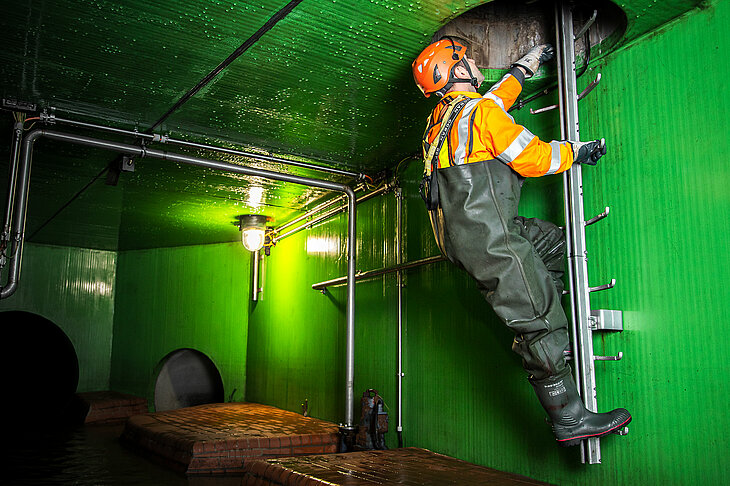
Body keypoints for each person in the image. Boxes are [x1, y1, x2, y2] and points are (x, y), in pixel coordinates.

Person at [411, 37, 631, 447]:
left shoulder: (442, 119)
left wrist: (523, 69)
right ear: (458, 71)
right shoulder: (478, 114)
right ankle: (568, 417)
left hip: (469, 235)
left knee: (550, 243)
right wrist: (576, 152)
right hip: (490, 238)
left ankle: (544, 323)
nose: (476, 64)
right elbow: (531, 157)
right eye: (469, 61)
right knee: (538, 317)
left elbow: (491, 104)